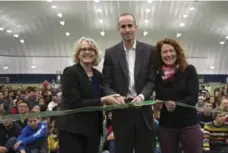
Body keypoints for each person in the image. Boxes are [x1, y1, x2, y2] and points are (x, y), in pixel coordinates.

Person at [102, 13, 157, 153]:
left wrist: (142, 97)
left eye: (129, 26)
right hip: (121, 112)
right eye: (123, 26)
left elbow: (152, 80)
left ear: (136, 27)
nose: (127, 30)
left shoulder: (150, 51)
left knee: (146, 149)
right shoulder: (110, 53)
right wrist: (115, 96)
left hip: (143, 112)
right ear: (118, 29)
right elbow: (106, 84)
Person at [57, 37, 120, 153]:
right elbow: (74, 102)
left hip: (93, 131)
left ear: (95, 54)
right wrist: (103, 99)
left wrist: (119, 97)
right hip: (73, 131)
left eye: (91, 49)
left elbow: (107, 91)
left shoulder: (98, 75)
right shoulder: (70, 72)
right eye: (83, 49)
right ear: (78, 53)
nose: (87, 52)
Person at [154, 38, 202, 153]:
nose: (168, 54)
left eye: (171, 51)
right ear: (160, 55)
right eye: (164, 52)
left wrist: (176, 104)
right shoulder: (158, 76)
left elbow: (193, 98)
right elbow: (159, 97)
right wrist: (157, 104)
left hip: (188, 124)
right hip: (167, 125)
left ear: (177, 52)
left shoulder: (189, 70)